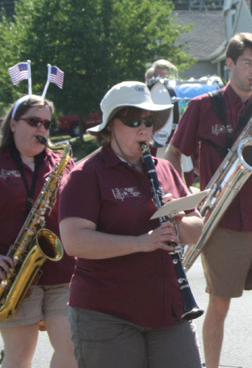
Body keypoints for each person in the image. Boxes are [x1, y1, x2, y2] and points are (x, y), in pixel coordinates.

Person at [57, 81, 203, 368]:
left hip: (169, 309)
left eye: (149, 122)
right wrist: (143, 242)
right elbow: (74, 241)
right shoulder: (86, 174)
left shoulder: (163, 168)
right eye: (133, 120)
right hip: (106, 313)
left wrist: (178, 220)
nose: (144, 130)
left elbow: (196, 227)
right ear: (110, 125)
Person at [164, 32, 252, 368]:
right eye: (246, 63)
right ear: (229, 64)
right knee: (219, 305)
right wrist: (183, 200)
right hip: (221, 221)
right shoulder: (204, 106)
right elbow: (174, 154)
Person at [0, 95, 76, 368]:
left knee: (71, 350)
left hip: (61, 270)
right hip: (14, 275)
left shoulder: (62, 162)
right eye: (34, 121)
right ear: (12, 124)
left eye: (46, 123)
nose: (42, 129)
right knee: (19, 357)